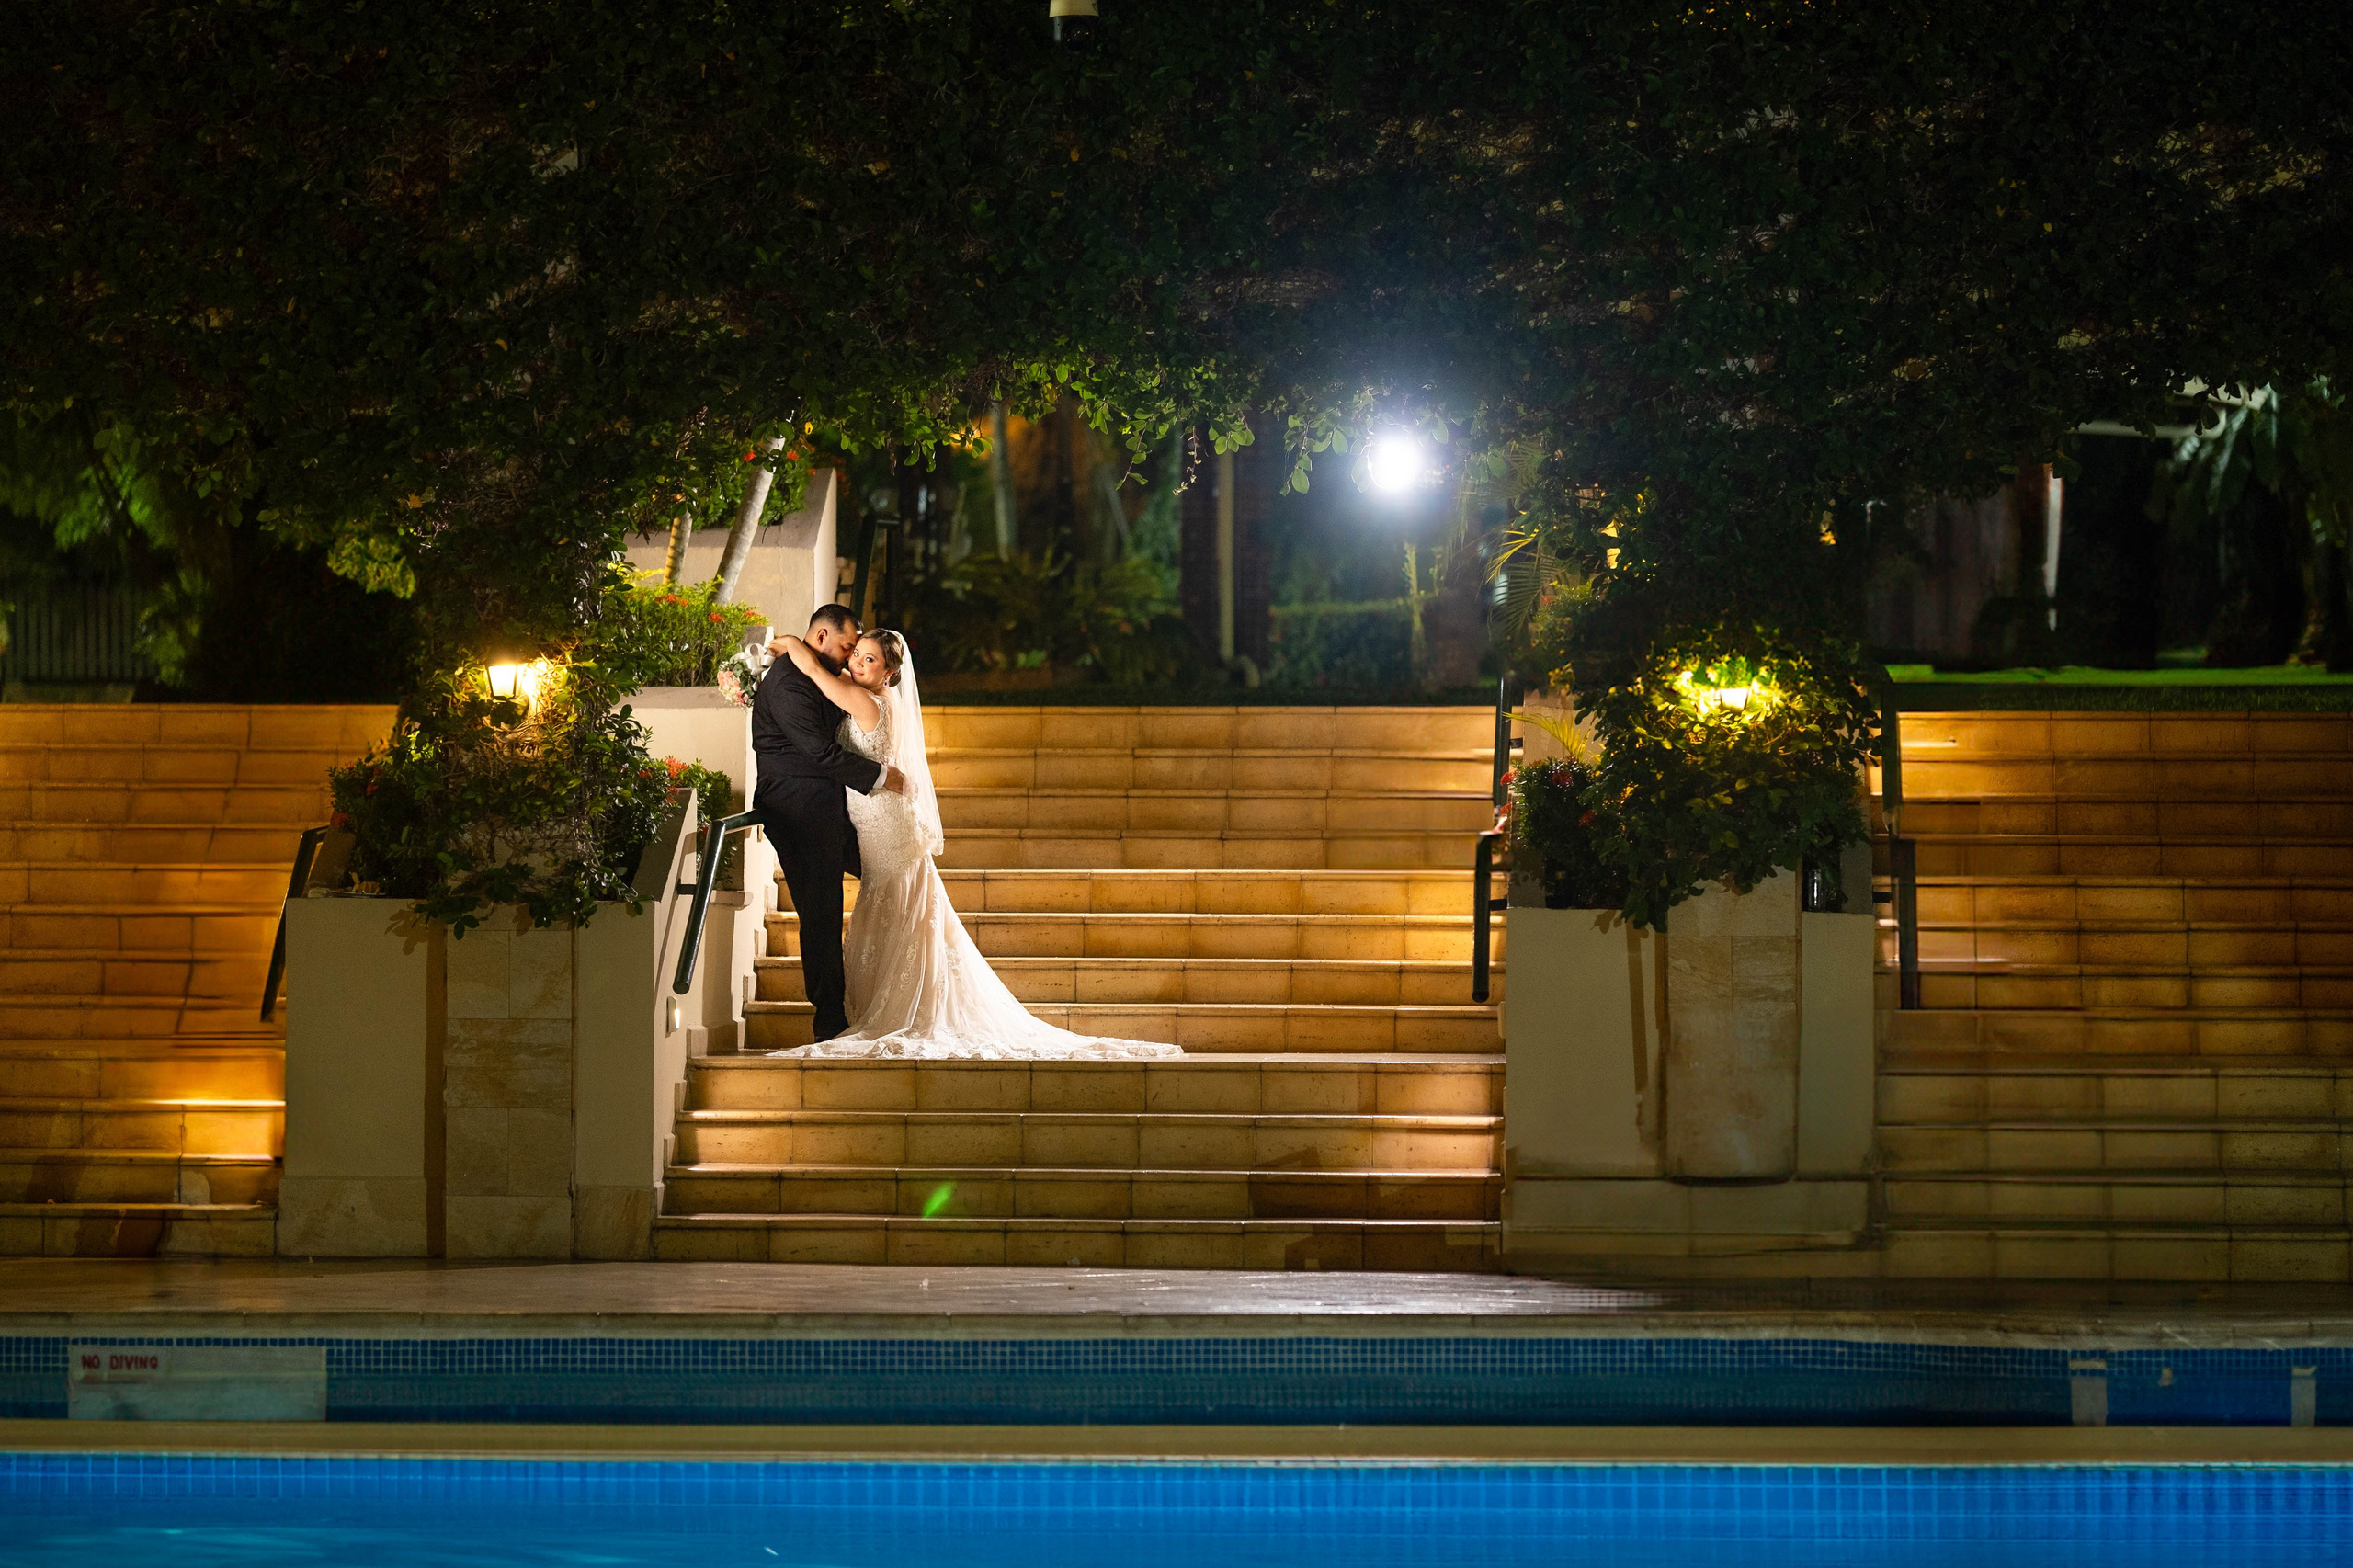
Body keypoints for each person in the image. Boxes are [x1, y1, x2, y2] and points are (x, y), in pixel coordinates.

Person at [763, 625, 1178, 1060]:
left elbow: (812, 670)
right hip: (879, 822)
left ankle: (905, 1007)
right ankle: (889, 1002)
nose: (857, 663)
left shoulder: (866, 700)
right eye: (857, 655)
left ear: (889, 674)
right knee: (895, 908)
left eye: (869, 659)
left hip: (885, 825)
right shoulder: (868, 692)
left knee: (895, 906)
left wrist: (791, 643)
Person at [751, 605, 903, 1041]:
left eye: (860, 652)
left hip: (835, 807)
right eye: (848, 646)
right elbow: (819, 752)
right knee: (820, 914)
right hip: (798, 811)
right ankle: (830, 1020)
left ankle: (892, 983)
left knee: (891, 879)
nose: (852, 657)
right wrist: (879, 776)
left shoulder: (817, 671)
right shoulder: (789, 686)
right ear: (820, 638)